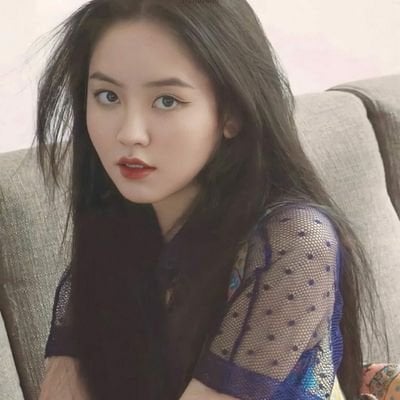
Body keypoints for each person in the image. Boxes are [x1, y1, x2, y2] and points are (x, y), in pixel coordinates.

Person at [33, 0, 395, 399]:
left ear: (232, 113)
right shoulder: (112, 238)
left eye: (167, 100)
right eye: (107, 96)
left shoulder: (293, 240)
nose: (129, 133)